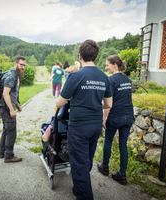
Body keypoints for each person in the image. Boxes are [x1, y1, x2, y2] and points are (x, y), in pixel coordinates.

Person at [56, 40, 112, 200]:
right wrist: (93, 102)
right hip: (96, 125)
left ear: (80, 56)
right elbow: (108, 104)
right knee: (86, 159)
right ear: (96, 56)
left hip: (79, 126)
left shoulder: (75, 76)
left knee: (79, 164)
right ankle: (78, 187)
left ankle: (83, 193)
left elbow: (59, 102)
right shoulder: (104, 77)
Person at [97, 55, 134, 186]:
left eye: (107, 65)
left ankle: (105, 167)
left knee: (108, 141)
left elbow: (108, 103)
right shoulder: (127, 79)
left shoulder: (110, 79)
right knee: (123, 145)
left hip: (115, 116)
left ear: (115, 65)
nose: (106, 67)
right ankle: (122, 175)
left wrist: (103, 118)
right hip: (129, 116)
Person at [0, 56, 25, 163]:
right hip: (5, 108)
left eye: (24, 65)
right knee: (11, 131)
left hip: (4, 107)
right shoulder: (10, 76)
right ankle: (9, 156)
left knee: (6, 129)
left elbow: (13, 92)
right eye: (21, 64)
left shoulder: (15, 75)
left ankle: (2, 152)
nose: (23, 67)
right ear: (15, 63)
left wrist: (17, 104)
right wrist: (11, 110)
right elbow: (5, 93)